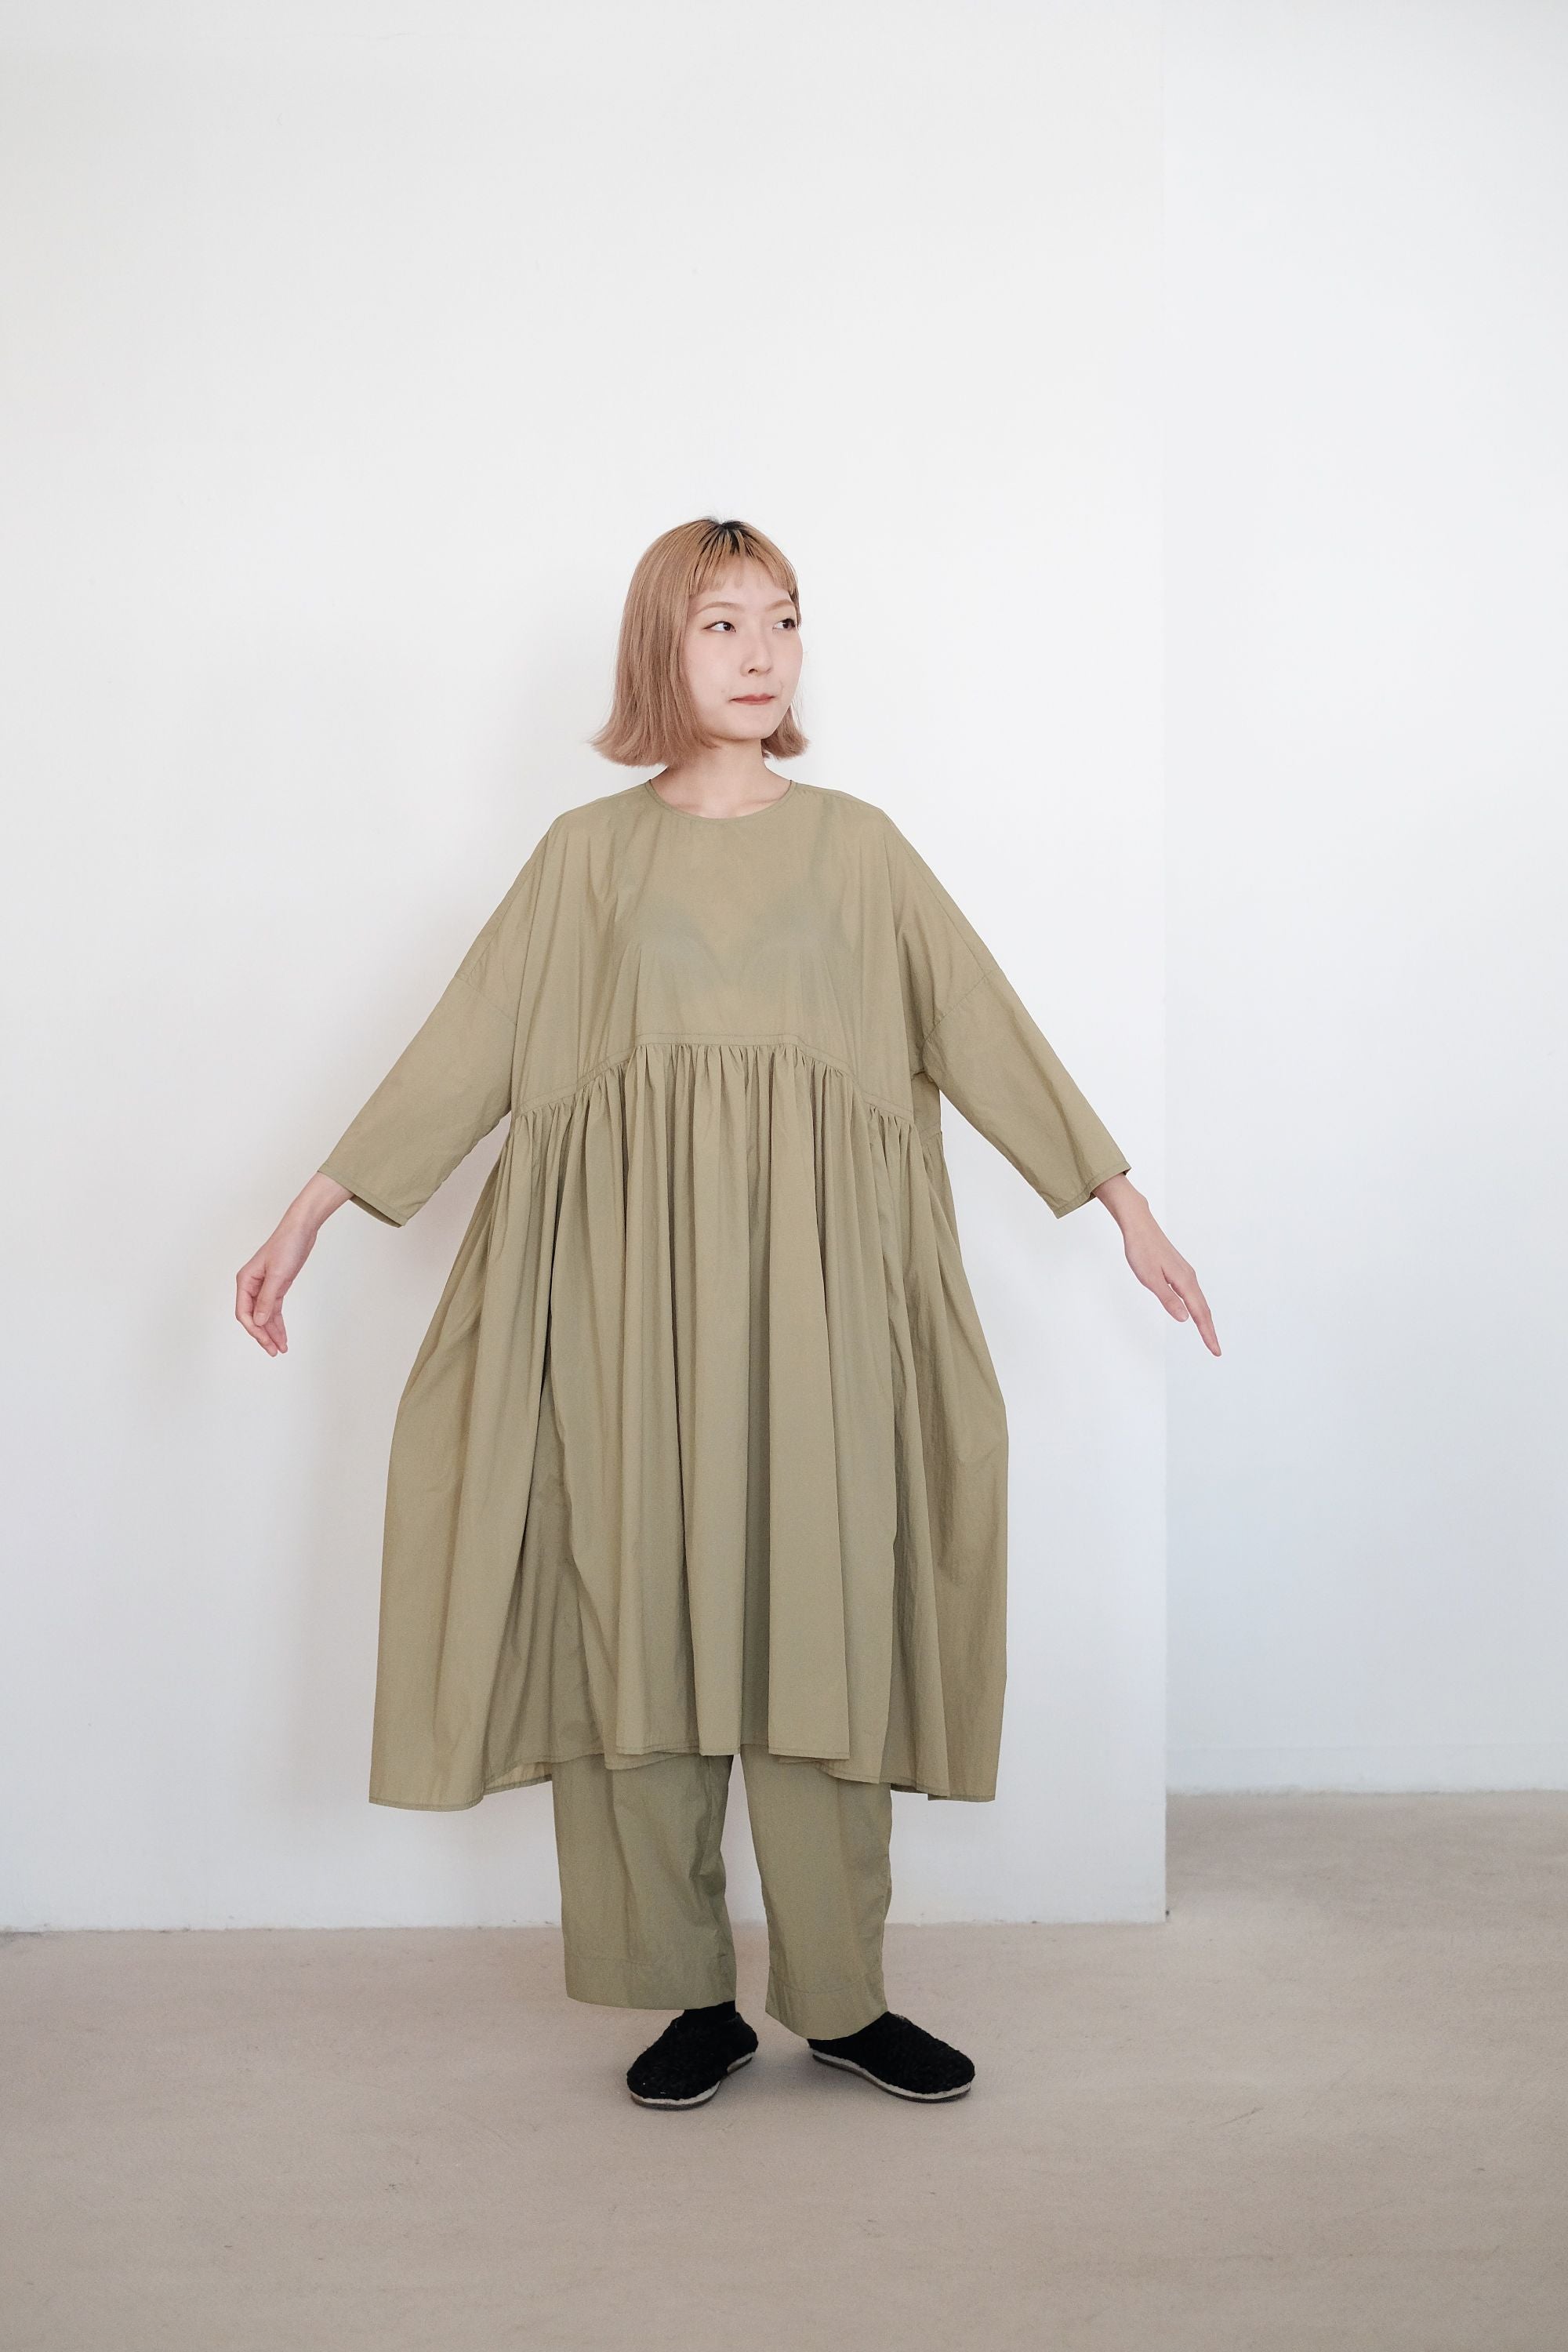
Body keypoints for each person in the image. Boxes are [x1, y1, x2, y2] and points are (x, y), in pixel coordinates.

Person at [238, 517, 1217, 2112]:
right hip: (628, 1314)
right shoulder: (585, 859)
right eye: (721, 625)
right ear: (659, 650)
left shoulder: (861, 850)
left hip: (822, 1308)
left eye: (784, 620)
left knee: (823, 1620)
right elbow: (469, 1042)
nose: (763, 654)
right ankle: (688, 1998)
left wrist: (1121, 1204)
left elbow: (981, 1022)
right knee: (639, 1618)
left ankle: (843, 1998)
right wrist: (311, 1212)